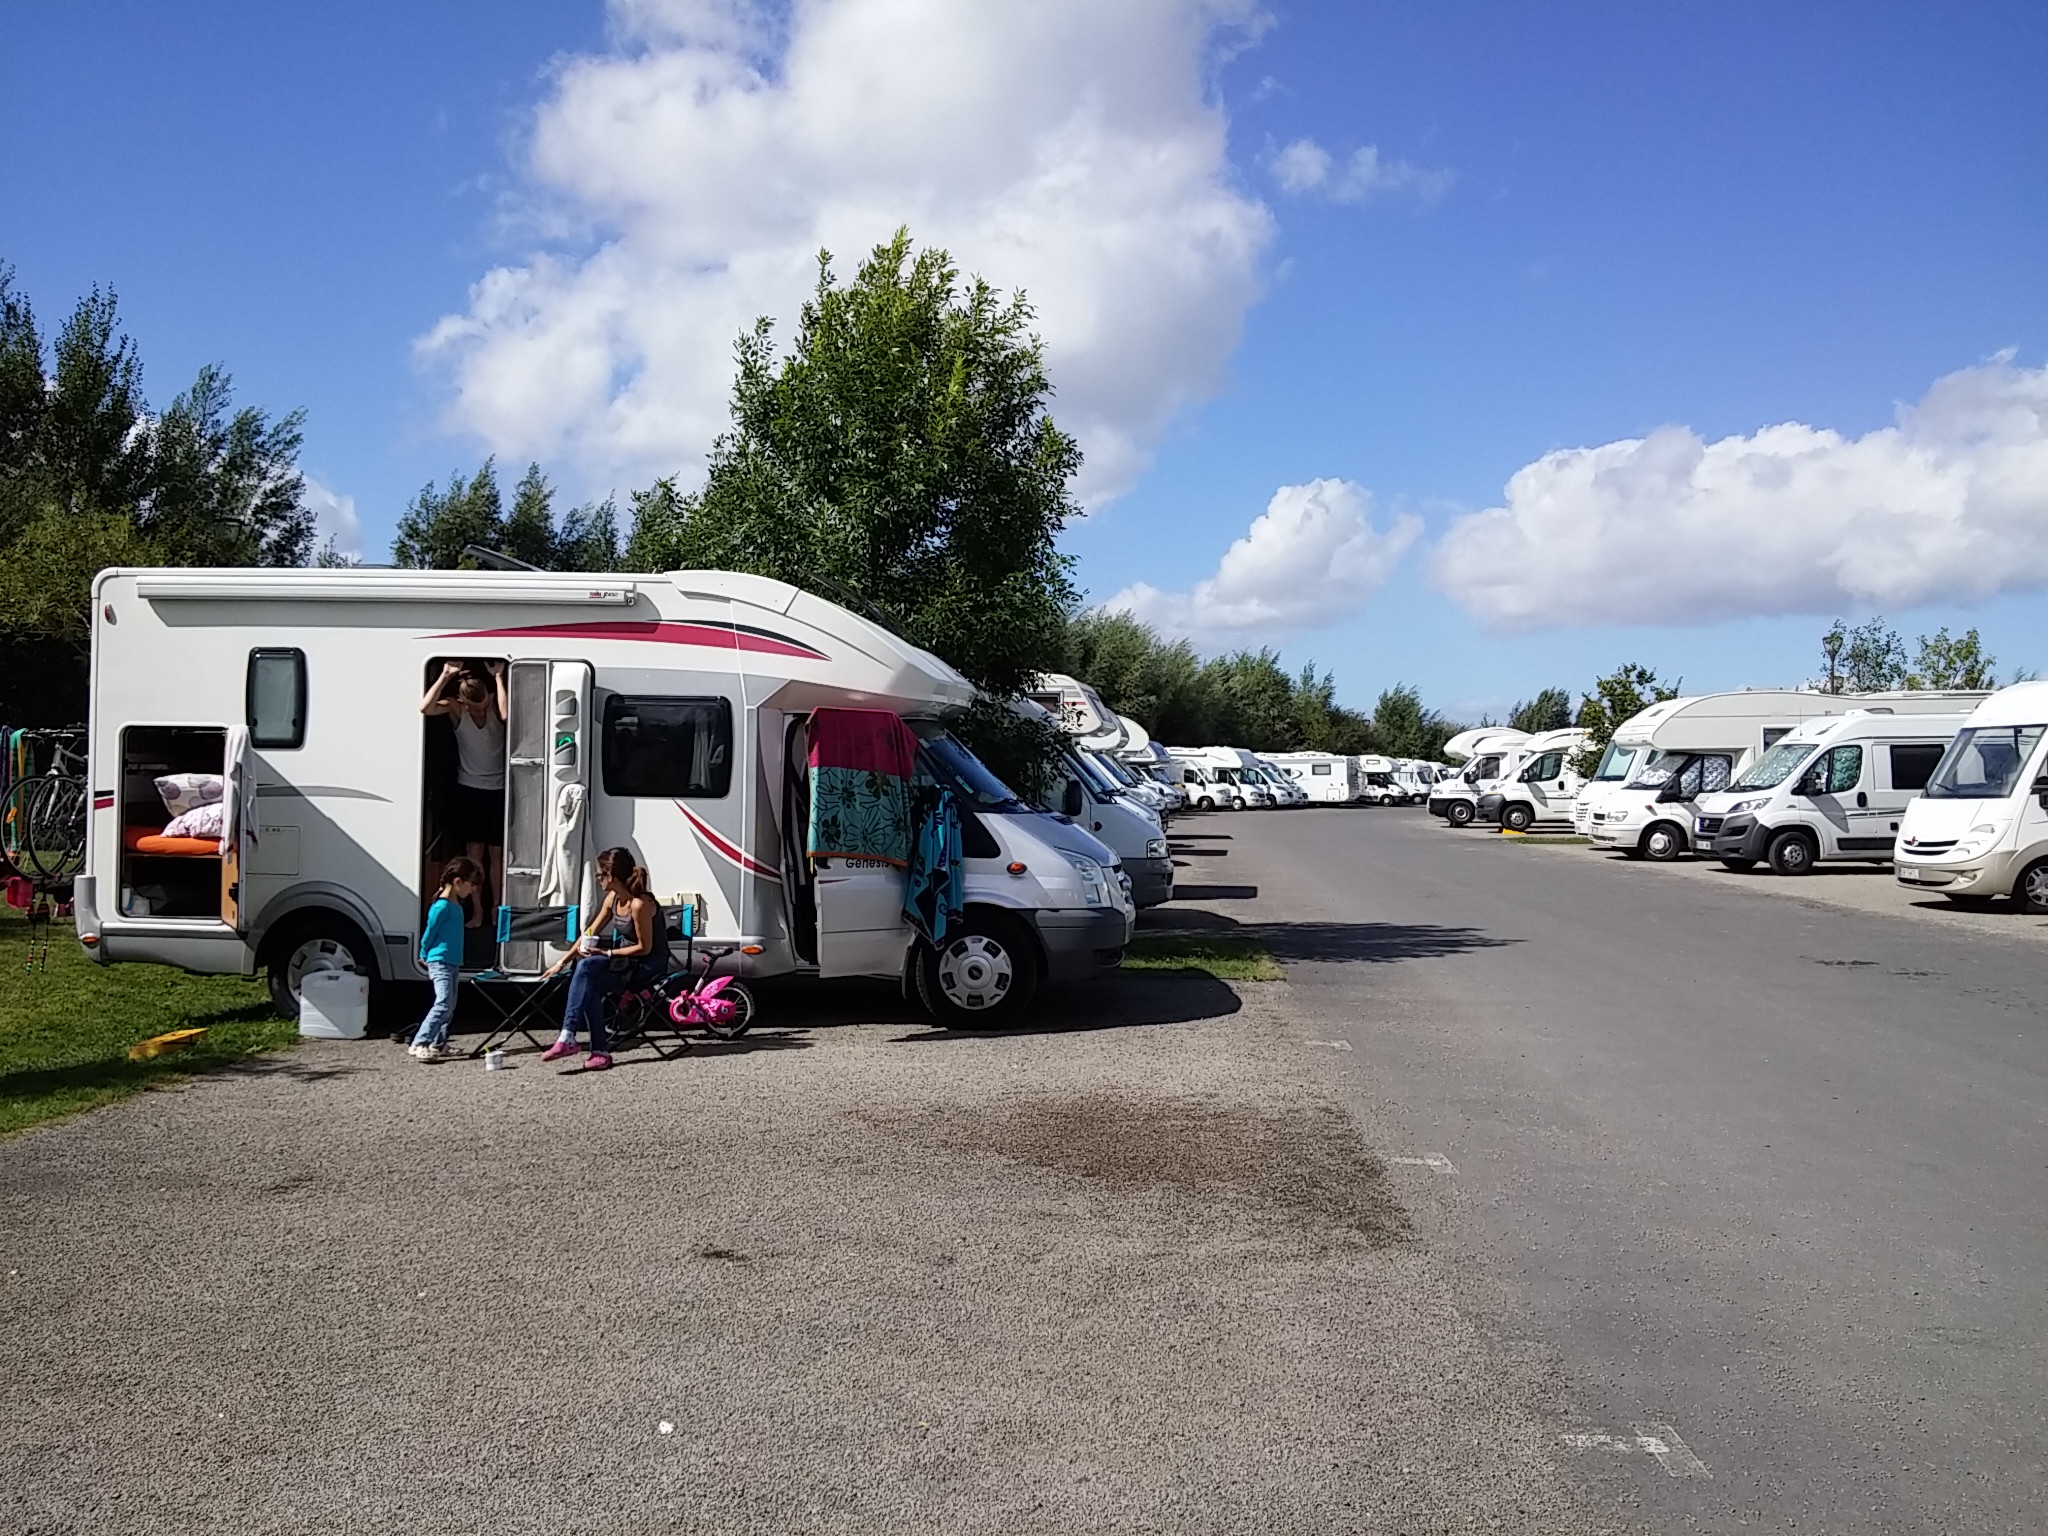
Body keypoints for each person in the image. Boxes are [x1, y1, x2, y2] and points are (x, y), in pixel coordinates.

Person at [540, 847, 669, 1071]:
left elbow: (644, 948)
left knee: (589, 968)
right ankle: (587, 1046)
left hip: (648, 964)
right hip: (626, 961)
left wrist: (606, 953)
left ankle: (578, 1041)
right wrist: (562, 962)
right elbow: (590, 932)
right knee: (587, 975)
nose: (598, 879)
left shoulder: (640, 904)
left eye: (599, 874)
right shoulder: (613, 899)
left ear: (611, 875)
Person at [422, 659, 508, 925]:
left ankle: (496, 909)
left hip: (498, 787)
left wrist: (498, 678)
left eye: (484, 705)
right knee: (474, 852)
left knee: (496, 853)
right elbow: (425, 708)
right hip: (470, 788)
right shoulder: (457, 709)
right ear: (464, 703)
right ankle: (477, 911)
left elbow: (506, 716)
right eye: (475, 707)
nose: (481, 711)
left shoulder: (494, 704)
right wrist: (445, 675)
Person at [410, 857, 481, 1061]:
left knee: (449, 1005)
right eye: (471, 885)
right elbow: (429, 932)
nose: (472, 890)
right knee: (443, 1003)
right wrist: (424, 953)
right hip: (439, 961)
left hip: (452, 961)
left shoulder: (456, 906)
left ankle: (438, 1043)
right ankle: (420, 1042)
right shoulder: (442, 906)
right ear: (458, 882)